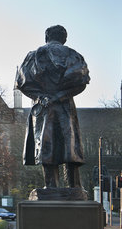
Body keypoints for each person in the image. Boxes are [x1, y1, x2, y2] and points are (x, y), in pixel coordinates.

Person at [15, 25, 90, 189]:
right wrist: (61, 96)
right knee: (70, 146)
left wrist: (40, 97)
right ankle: (75, 187)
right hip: (65, 106)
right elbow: (82, 81)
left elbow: (21, 82)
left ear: (46, 36)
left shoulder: (33, 56)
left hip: (43, 108)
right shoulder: (73, 55)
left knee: (46, 144)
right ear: (64, 38)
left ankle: (51, 187)